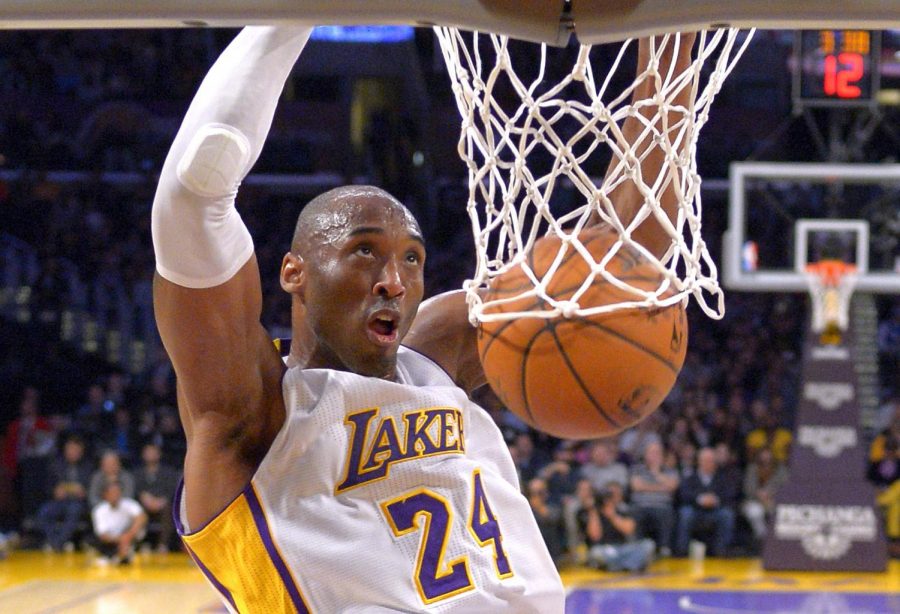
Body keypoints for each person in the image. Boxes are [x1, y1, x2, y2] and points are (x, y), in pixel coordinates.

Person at [151, 25, 695, 612]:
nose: (395, 280)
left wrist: (669, 40)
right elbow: (194, 194)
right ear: (293, 272)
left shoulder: (432, 360)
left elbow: (617, 264)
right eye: (364, 251)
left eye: (411, 258)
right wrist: (292, 13)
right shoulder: (253, 412)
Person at [576, 482, 655, 572]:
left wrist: (612, 515)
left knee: (648, 545)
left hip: (623, 547)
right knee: (596, 553)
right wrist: (593, 511)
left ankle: (617, 566)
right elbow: (595, 536)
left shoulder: (624, 509)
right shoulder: (590, 511)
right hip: (604, 549)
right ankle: (629, 565)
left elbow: (629, 530)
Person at [675, 447, 739, 557]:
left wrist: (715, 499)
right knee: (685, 513)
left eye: (711, 461)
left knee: (727, 515)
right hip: (695, 509)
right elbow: (683, 494)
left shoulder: (722, 478)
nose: (708, 463)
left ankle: (722, 550)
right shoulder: (690, 477)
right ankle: (682, 550)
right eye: (705, 460)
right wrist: (699, 499)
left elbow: (730, 494)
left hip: (716, 510)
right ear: (699, 461)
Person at [36, 435, 92, 552]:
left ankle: (58, 544)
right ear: (65, 450)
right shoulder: (55, 465)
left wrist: (84, 491)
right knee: (44, 512)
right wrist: (54, 491)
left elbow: (92, 488)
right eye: (70, 449)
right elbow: (47, 487)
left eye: (76, 450)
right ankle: (55, 542)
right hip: (60, 501)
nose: (73, 452)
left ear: (81, 451)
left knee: (74, 510)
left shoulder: (88, 467)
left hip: (79, 502)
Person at [629, 441, 679, 556]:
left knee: (666, 513)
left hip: (662, 506)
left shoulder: (670, 470)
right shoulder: (637, 469)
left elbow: (672, 487)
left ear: (662, 455)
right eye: (651, 452)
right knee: (635, 512)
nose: (654, 455)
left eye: (657, 453)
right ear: (645, 454)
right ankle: (635, 548)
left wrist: (655, 473)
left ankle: (664, 548)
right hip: (640, 505)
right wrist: (661, 487)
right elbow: (636, 486)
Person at [133, 442, 179, 552]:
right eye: (148, 452)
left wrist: (162, 500)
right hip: (144, 503)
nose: (150, 455)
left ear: (159, 454)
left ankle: (163, 544)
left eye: (153, 452)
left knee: (168, 509)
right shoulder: (137, 473)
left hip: (162, 503)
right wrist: (144, 498)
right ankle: (139, 544)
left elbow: (172, 489)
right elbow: (137, 490)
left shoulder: (168, 472)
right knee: (136, 511)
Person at [91, 481, 146, 565]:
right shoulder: (99, 510)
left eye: (117, 492)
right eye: (112, 493)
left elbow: (141, 517)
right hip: (111, 541)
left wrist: (128, 536)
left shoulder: (129, 504)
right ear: (105, 495)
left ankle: (126, 553)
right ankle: (118, 555)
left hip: (129, 537)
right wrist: (121, 540)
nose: (115, 495)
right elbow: (103, 536)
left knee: (140, 531)